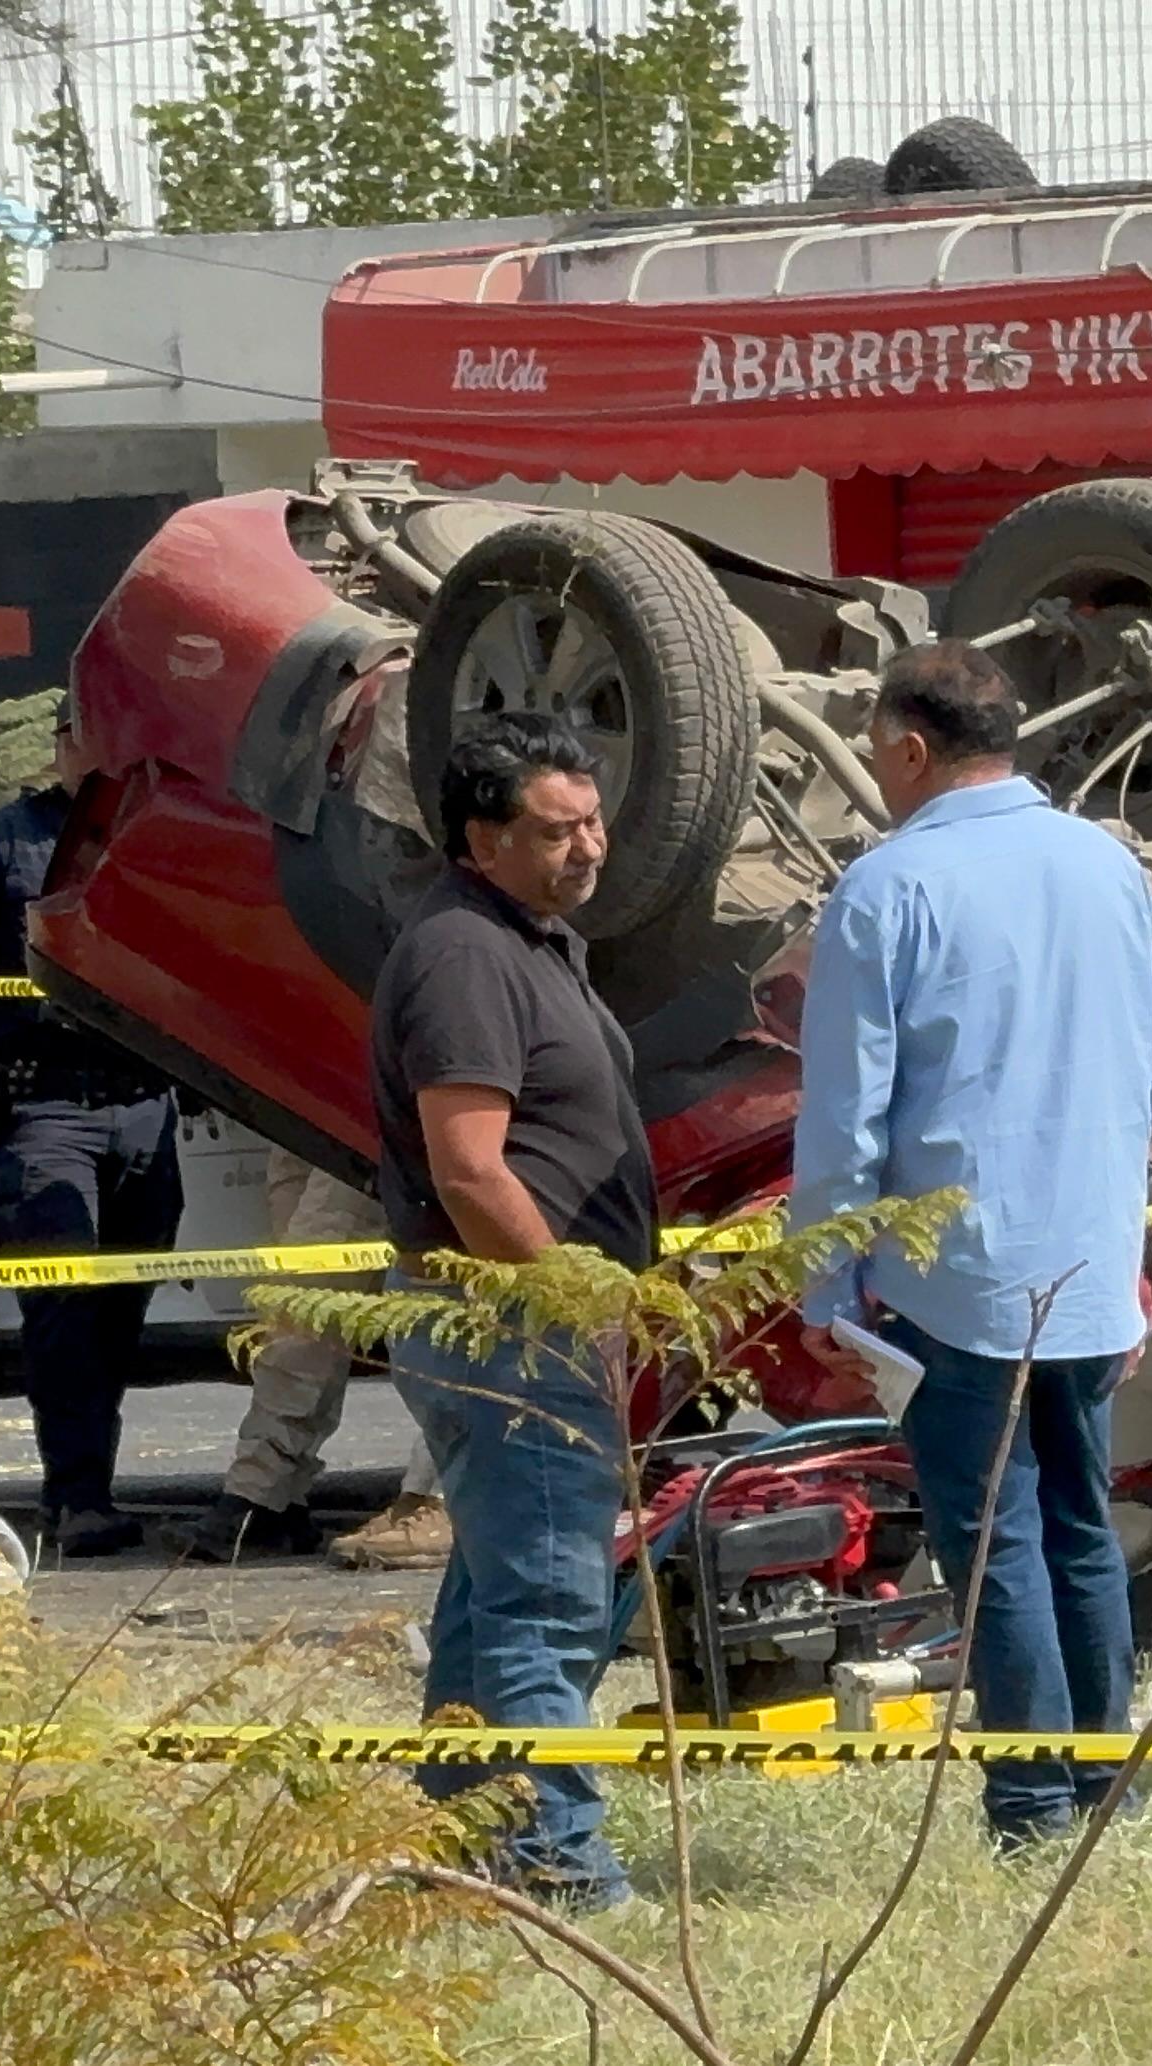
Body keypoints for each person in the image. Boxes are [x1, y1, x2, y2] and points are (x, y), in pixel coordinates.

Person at [787, 639, 1152, 1849]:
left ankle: (1029, 1805)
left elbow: (846, 1113)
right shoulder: (1108, 864)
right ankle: (1098, 1788)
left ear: (911, 749)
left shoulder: (885, 889)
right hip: (1090, 1268)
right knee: (1079, 1523)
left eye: (877, 752)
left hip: (951, 1279)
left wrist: (826, 1284)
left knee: (994, 1541)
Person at [370, 709, 656, 1910]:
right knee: (547, 1601)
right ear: (480, 838)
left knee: (493, 1593)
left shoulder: (526, 938)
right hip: (508, 1328)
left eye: (593, 820)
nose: (588, 846)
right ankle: (560, 1862)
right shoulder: (464, 957)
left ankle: (455, 1834)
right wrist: (569, 1294)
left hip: (520, 1324)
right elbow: (470, 1168)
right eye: (555, 830)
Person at [0, 713, 183, 1558]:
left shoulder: (152, 833)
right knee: (62, 1311)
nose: (90, 752)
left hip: (144, 1105)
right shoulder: (7, 836)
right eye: (76, 736)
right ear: (60, 745)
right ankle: (76, 1499)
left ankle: (91, 1486)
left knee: (119, 1315)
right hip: (45, 1108)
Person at [177, 1144, 454, 1571]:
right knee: (296, 1303)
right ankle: (279, 1500)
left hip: (361, 1126)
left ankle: (259, 1491)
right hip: (300, 1125)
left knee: (306, 1302)